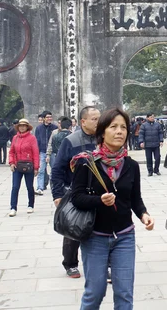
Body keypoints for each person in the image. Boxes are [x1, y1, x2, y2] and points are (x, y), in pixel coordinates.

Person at [71, 108, 154, 309]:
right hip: (94, 237)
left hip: (124, 236)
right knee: (95, 292)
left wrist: (144, 215)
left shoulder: (131, 165)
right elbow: (76, 198)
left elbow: (135, 199)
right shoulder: (87, 163)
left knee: (124, 294)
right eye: (113, 127)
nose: (119, 132)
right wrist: (99, 200)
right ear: (102, 132)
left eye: (123, 127)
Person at [52, 106, 100, 279]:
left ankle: (103, 264)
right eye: (94, 119)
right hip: (76, 192)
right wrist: (57, 194)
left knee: (102, 229)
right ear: (83, 121)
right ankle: (70, 263)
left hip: (100, 193)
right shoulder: (70, 141)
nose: (98, 122)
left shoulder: (103, 138)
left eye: (99, 118)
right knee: (74, 227)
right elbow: (57, 169)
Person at [8, 119, 39, 217]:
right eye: (20, 125)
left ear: (27, 127)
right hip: (17, 165)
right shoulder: (15, 138)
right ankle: (13, 207)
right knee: (15, 187)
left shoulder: (32, 138)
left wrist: (36, 167)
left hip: (29, 165)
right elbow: (11, 151)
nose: (22, 127)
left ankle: (30, 205)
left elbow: (35, 153)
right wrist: (11, 162)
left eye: (24, 126)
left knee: (29, 186)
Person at [34, 111, 57, 195]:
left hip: (52, 152)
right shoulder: (39, 128)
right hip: (42, 151)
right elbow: (36, 140)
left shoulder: (55, 127)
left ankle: (54, 187)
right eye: (47, 117)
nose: (49, 118)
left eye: (50, 117)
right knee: (41, 170)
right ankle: (40, 187)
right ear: (43, 118)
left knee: (54, 170)